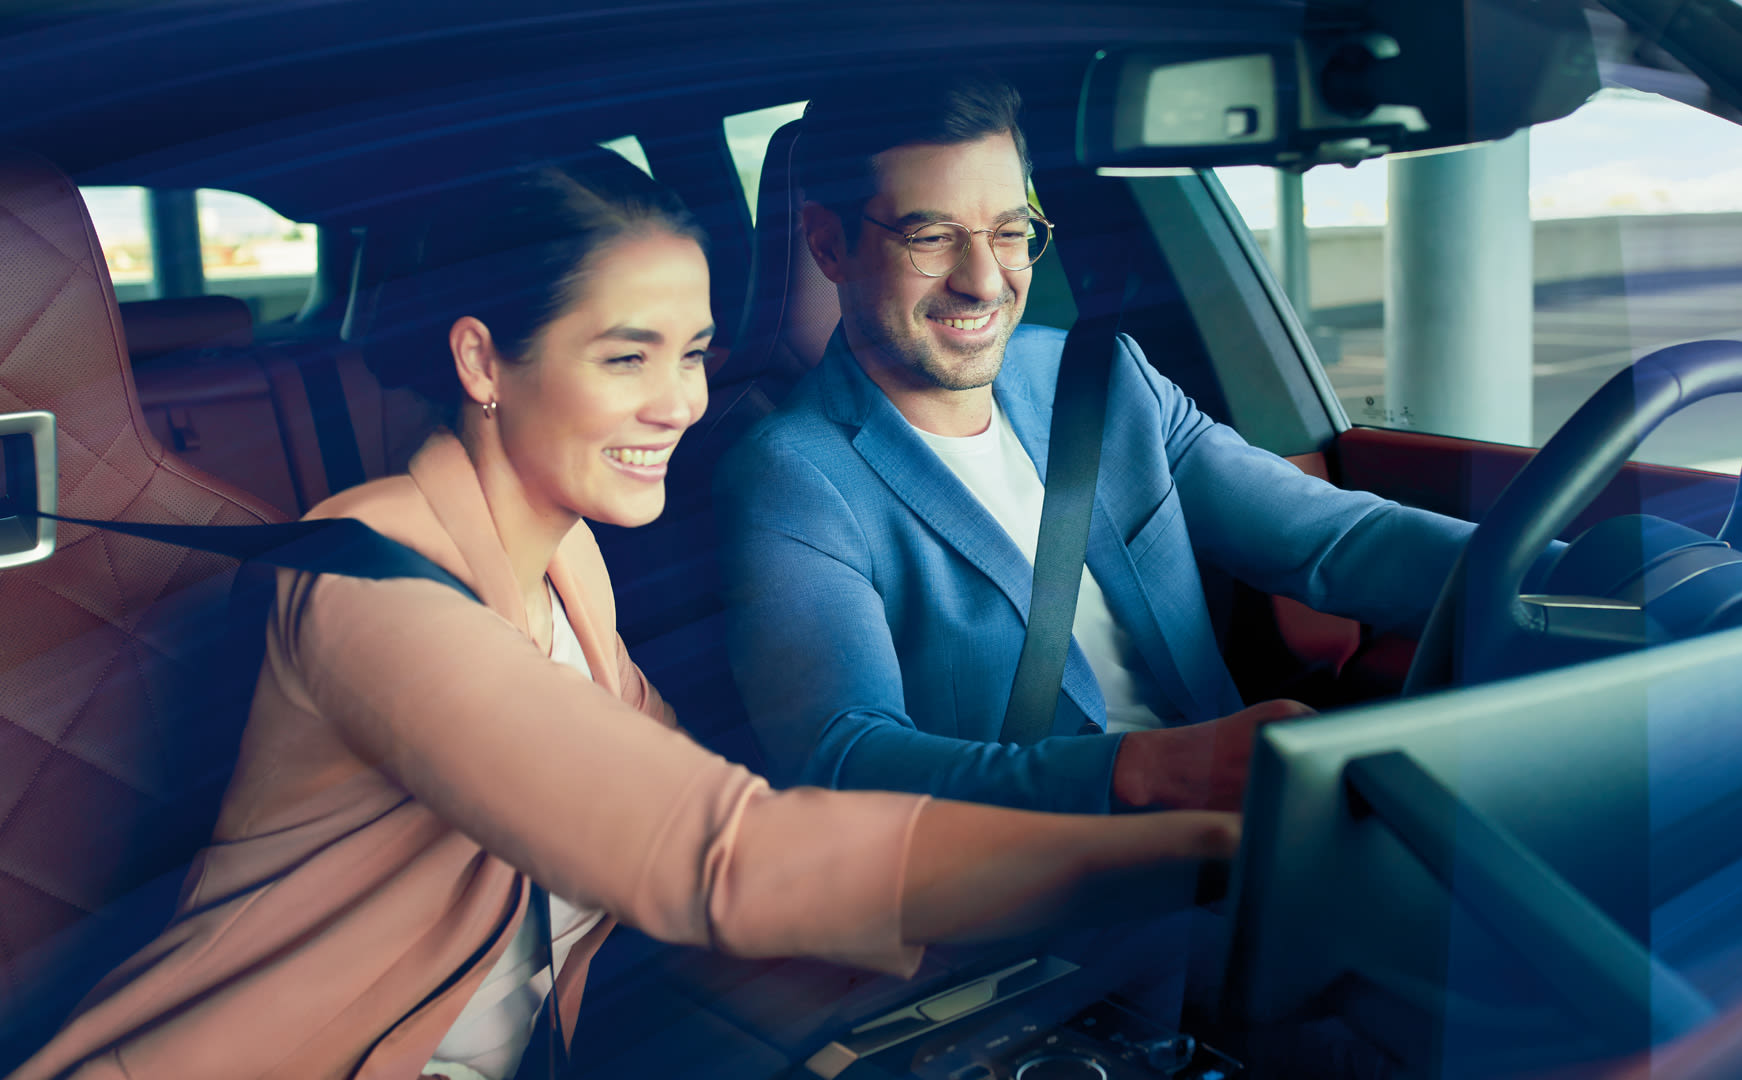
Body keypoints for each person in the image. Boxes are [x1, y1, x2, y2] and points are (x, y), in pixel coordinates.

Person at [7, 151, 1240, 1080]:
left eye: (694, 352)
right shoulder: (361, 587)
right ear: (486, 365)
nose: (682, 404)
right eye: (626, 357)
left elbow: (687, 815)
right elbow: (720, 858)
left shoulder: (569, 571)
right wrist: (1182, 834)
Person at [716, 72, 1533, 815]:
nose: (984, 279)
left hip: (1246, 848)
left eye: (1009, 231)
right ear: (828, 246)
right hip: (1046, 917)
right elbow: (844, 760)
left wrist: (1582, 578)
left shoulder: (1099, 379)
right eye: (931, 238)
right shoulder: (791, 476)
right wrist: (1145, 771)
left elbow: (1338, 538)